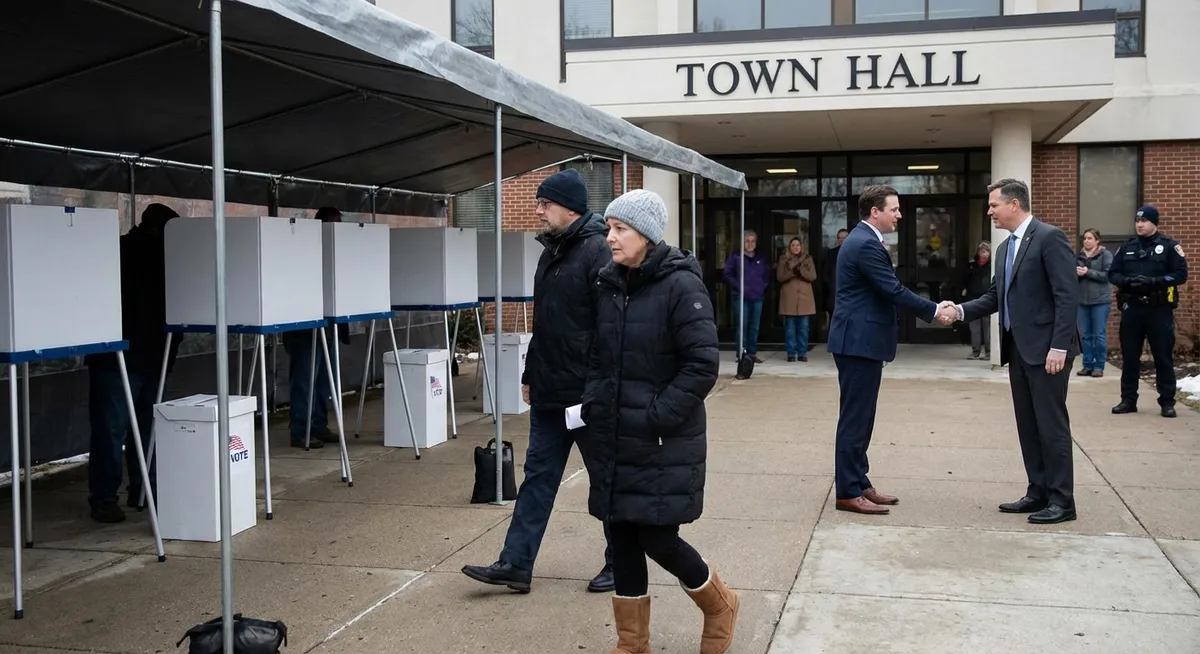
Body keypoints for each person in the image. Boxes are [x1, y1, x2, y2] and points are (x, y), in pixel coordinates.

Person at [582, 189, 734, 654]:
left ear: (646, 234)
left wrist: (657, 417)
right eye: (609, 228)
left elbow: (702, 363)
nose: (610, 238)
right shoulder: (609, 283)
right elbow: (598, 356)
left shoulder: (681, 285)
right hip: (612, 434)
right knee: (622, 532)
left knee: (656, 535)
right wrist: (592, 404)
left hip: (661, 437)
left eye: (619, 229)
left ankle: (719, 604)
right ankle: (632, 643)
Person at [461, 168, 615, 594]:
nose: (538, 210)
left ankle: (620, 562)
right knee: (537, 478)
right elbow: (546, 325)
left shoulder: (598, 250)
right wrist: (530, 374)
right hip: (549, 392)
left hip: (584, 395)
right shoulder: (552, 253)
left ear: (570, 207)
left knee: (606, 479)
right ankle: (515, 564)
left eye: (545, 203)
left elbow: (608, 329)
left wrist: (598, 389)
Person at [945, 178, 1080, 525]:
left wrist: (1058, 347)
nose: (989, 211)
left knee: (1052, 426)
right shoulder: (1005, 248)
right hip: (1018, 350)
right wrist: (959, 311)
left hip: (1048, 352)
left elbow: (1067, 298)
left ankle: (1062, 502)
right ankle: (1038, 493)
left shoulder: (1050, 238)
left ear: (1014, 204)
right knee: (1028, 425)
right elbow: (994, 297)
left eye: (993, 205)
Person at [827, 185, 950, 515]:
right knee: (855, 419)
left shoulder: (863, 240)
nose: (899, 215)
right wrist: (934, 310)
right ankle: (848, 491)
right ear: (874, 212)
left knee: (863, 417)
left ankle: (860, 482)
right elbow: (892, 289)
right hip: (858, 343)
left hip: (862, 342)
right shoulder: (864, 243)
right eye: (894, 209)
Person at [86, 203, 184, 523]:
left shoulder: (117, 251)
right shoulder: (164, 258)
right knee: (143, 429)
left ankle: (108, 497)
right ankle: (141, 490)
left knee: (112, 430)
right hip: (145, 356)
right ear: (159, 230)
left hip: (117, 355)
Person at [1108, 206, 1188, 417]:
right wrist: (1127, 282)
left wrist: (1156, 282)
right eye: (1137, 221)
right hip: (1132, 308)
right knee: (1130, 357)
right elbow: (1113, 273)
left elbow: (1180, 275)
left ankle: (1167, 402)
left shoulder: (1169, 246)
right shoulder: (1127, 247)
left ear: (1155, 223)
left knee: (1163, 357)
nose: (1139, 225)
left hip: (1158, 309)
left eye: (1144, 221)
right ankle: (1128, 400)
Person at [280, 206, 347, 449]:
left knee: (322, 381)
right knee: (305, 380)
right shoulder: (304, 250)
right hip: (302, 326)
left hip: (326, 324)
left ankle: (318, 425)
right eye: (333, 225)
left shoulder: (333, 252)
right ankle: (300, 430)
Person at [721, 230, 770, 362]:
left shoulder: (760, 257)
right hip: (740, 296)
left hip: (757, 297)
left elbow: (766, 275)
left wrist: (762, 287)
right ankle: (742, 353)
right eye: (747, 241)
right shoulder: (736, 256)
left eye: (752, 241)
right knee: (742, 325)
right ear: (743, 242)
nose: (750, 244)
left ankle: (752, 353)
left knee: (754, 326)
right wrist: (739, 286)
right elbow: (727, 274)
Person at [1076, 228, 1114, 378]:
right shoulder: (1078, 256)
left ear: (1097, 240)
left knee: (1099, 335)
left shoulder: (1105, 255)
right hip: (1082, 301)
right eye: (1085, 238)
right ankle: (1087, 365)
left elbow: (1108, 275)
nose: (1086, 241)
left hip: (1100, 301)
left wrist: (1088, 272)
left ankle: (1099, 366)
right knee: (1085, 335)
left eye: (1090, 238)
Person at [776, 237, 817, 362]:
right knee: (790, 328)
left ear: (801, 246)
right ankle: (790, 353)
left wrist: (801, 271)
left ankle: (802, 353)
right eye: (793, 245)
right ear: (789, 247)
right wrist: (792, 272)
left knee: (804, 328)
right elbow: (780, 277)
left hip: (804, 298)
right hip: (789, 298)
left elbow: (813, 276)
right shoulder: (783, 259)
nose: (795, 247)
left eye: (797, 245)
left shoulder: (808, 259)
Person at [960, 241, 992, 360]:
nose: (983, 254)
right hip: (973, 298)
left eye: (986, 251)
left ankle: (989, 352)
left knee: (987, 326)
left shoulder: (992, 266)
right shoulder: (972, 266)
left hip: (987, 299)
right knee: (974, 327)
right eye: (981, 251)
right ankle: (975, 351)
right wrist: (964, 289)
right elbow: (965, 280)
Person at [822, 228, 849, 325]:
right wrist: (832, 287)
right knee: (835, 324)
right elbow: (826, 274)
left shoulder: (856, 252)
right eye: (840, 238)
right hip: (835, 295)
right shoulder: (831, 254)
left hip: (851, 295)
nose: (842, 240)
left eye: (845, 237)